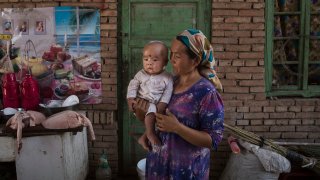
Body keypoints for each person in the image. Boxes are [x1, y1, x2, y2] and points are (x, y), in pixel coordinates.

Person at [138, 29, 224, 179]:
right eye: (171, 54)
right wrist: (148, 131)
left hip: (186, 172)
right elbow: (161, 118)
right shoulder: (170, 82)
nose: (171, 59)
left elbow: (213, 140)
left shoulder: (206, 92)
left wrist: (178, 128)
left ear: (195, 60)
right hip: (158, 166)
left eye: (177, 56)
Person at [127, 41, 173, 146]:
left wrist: (163, 103)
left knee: (158, 119)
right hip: (141, 103)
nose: (149, 63)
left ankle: (144, 137)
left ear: (165, 62)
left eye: (155, 60)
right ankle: (150, 134)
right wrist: (130, 98)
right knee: (151, 113)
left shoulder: (168, 77)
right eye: (146, 59)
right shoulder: (140, 74)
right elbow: (132, 85)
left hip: (157, 106)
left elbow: (168, 92)